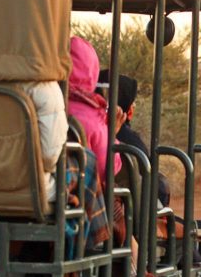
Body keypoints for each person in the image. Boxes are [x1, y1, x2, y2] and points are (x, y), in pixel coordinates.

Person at [97, 69, 171, 207]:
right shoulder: (130, 142)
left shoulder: (78, 124)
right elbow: (153, 189)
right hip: (129, 211)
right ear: (129, 111)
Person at [67, 37, 124, 181]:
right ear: (93, 71)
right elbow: (107, 170)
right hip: (82, 190)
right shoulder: (94, 118)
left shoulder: (49, 104)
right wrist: (112, 135)